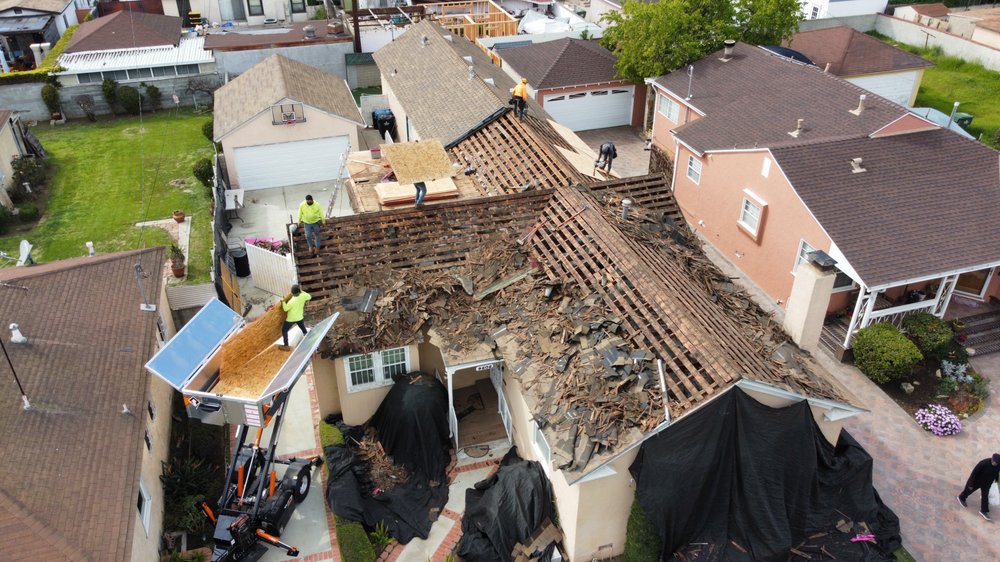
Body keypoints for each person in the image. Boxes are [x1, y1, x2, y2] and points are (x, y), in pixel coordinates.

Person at [959, 453, 1000, 520]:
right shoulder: (984, 463)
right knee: (969, 490)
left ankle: (984, 511)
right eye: (994, 462)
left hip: (987, 484)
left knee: (985, 496)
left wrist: (997, 481)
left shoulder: (998, 466)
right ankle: (961, 497)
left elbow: (997, 474)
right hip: (977, 481)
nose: (994, 463)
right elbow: (974, 473)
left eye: (996, 463)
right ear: (992, 459)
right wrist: (971, 483)